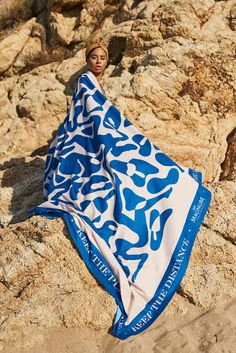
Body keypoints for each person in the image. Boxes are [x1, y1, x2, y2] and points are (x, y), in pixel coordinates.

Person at [28, 42, 211, 340]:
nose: (98, 61)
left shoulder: (95, 82)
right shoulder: (85, 82)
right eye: (93, 57)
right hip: (90, 143)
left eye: (102, 58)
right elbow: (91, 116)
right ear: (86, 60)